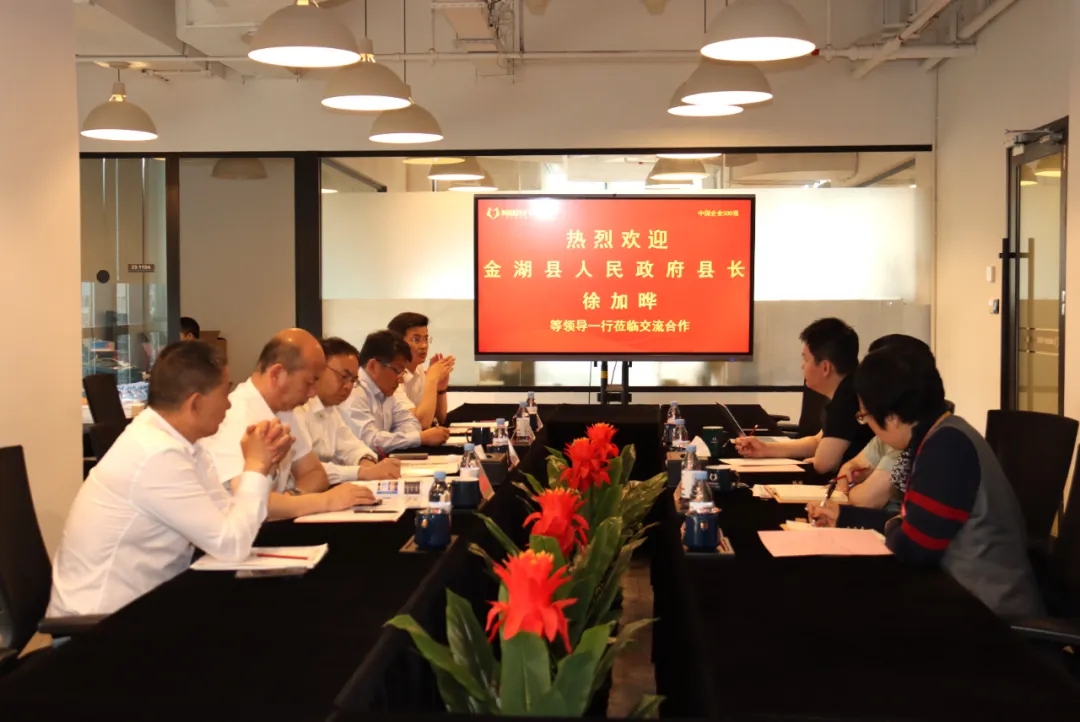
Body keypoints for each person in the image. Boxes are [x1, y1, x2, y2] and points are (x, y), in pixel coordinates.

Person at [48, 341, 288, 617]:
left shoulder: (183, 443)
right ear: (195, 403)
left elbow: (228, 517)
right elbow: (231, 545)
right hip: (101, 625)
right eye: (224, 393)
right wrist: (256, 466)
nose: (229, 403)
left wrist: (263, 466)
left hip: (145, 606)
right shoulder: (156, 454)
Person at [808, 345, 1043, 620]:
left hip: (989, 615)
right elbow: (916, 525)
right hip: (958, 593)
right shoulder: (943, 432)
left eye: (865, 416)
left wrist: (895, 527)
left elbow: (915, 548)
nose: (867, 424)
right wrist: (845, 516)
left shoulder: (946, 448)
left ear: (892, 417)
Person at [200, 328, 376, 521]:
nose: (312, 393)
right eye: (309, 383)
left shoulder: (284, 410)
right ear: (278, 374)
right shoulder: (236, 416)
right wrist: (326, 501)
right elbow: (251, 504)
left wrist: (291, 499)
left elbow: (315, 473)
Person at [734, 318, 873, 475]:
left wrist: (817, 459)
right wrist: (765, 449)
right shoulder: (848, 388)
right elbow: (817, 442)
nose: (802, 366)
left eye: (806, 359)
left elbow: (824, 464)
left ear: (825, 367)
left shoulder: (847, 398)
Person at [836, 334, 934, 509]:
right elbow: (852, 466)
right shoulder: (893, 431)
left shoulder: (915, 437)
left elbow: (867, 500)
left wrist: (849, 491)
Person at [295, 337, 403, 483]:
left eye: (353, 380)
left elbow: (351, 447)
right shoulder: (297, 408)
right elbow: (307, 470)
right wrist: (363, 472)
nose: (348, 386)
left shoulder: (331, 408)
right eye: (343, 376)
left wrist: (370, 466)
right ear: (318, 369)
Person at [341, 330, 451, 452]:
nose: (401, 378)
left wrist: (395, 439)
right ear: (373, 366)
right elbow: (370, 442)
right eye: (397, 370)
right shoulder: (353, 391)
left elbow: (411, 422)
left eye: (403, 372)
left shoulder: (386, 391)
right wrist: (418, 438)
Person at [387, 312, 455, 428]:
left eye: (426, 339)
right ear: (398, 343)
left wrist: (440, 390)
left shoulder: (418, 370)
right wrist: (432, 379)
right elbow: (421, 424)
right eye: (416, 339)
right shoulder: (391, 375)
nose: (424, 346)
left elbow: (440, 418)